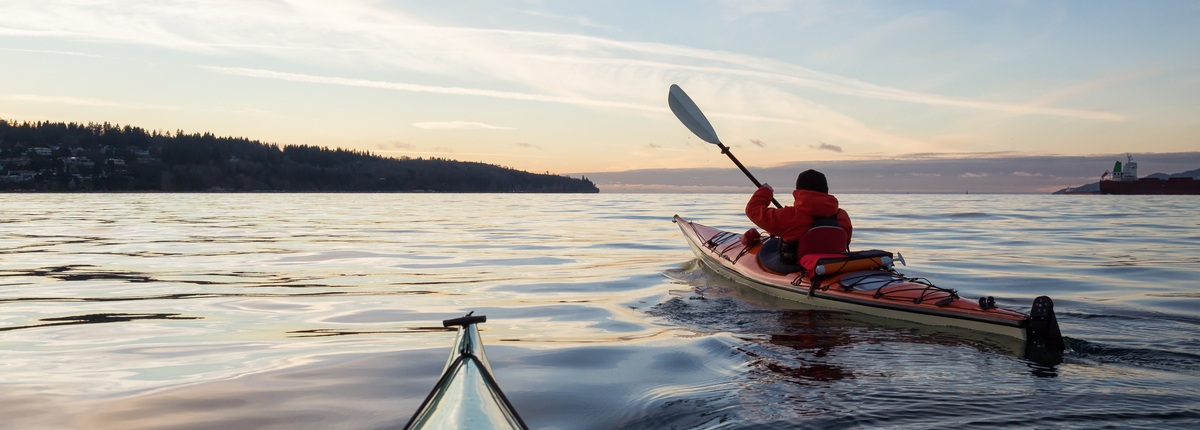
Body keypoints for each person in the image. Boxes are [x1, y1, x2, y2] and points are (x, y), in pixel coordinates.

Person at [745, 169, 853, 273]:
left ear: (799, 191)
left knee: (771, 244)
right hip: (835, 266)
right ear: (826, 190)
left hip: (797, 267)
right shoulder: (842, 216)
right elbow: (846, 241)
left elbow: (752, 210)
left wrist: (765, 191)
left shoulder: (790, 216)